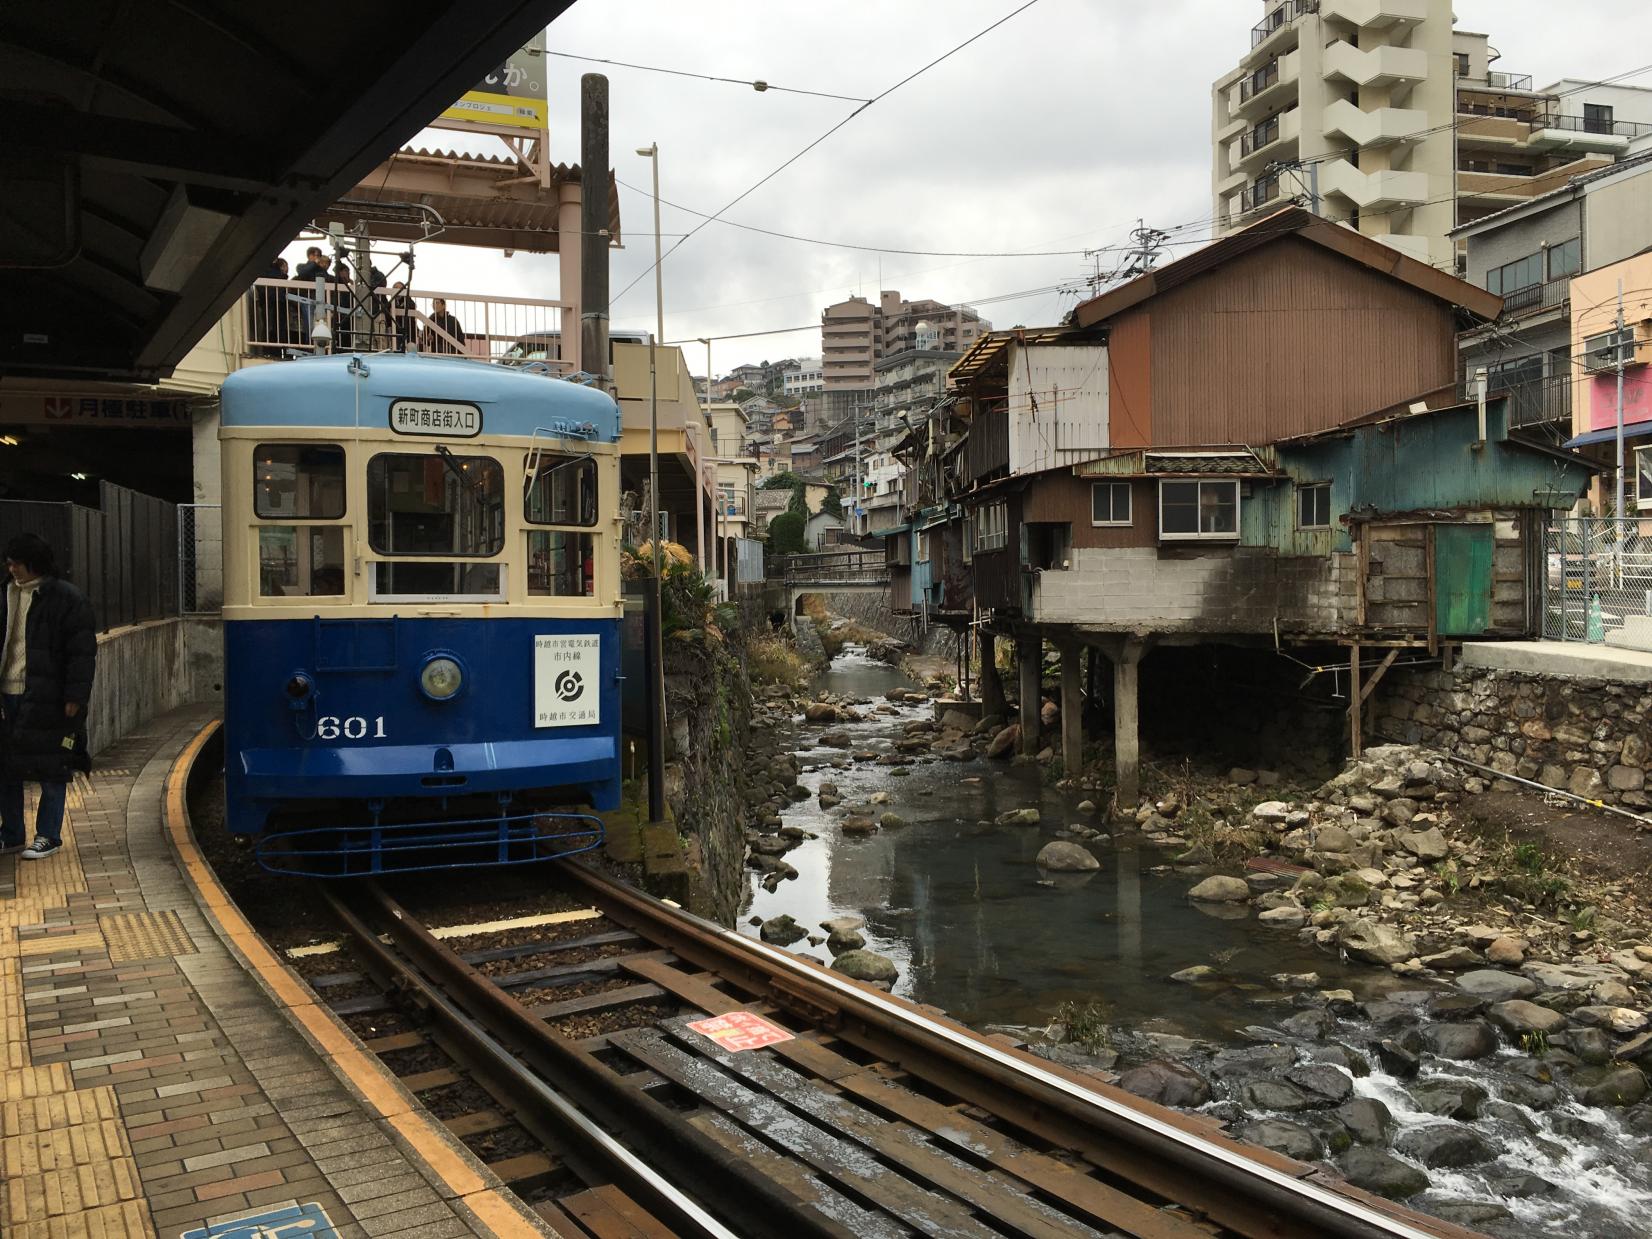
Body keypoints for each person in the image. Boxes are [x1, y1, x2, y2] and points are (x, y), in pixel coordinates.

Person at [0, 534, 97, 861]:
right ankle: (11, 835)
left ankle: (48, 835)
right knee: (5, 768)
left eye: (16, 562)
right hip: (6, 694)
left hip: (47, 696)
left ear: (34, 563)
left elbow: (81, 652)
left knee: (52, 766)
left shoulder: (66, 599)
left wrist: (75, 695)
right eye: (9, 562)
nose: (11, 567)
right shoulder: (6, 592)